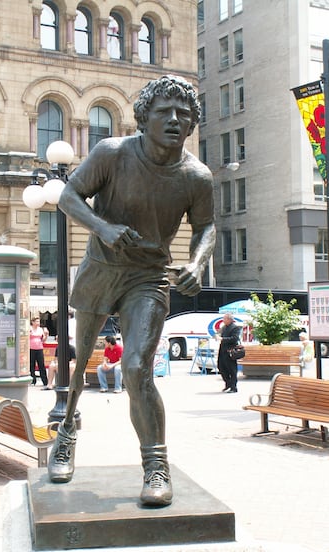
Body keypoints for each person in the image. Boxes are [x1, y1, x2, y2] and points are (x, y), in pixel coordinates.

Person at [48, 74, 215, 507]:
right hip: (102, 269)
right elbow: (68, 195)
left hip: (148, 278)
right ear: (144, 118)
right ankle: (67, 430)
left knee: (137, 368)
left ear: (193, 122)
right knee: (82, 360)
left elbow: (207, 227)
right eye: (164, 112)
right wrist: (102, 227)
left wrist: (197, 264)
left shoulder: (196, 176)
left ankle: (155, 465)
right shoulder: (112, 154)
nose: (175, 120)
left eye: (184, 114)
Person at [217, 313, 241, 393]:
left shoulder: (235, 328)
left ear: (229, 319)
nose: (223, 320)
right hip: (222, 351)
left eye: (224, 319)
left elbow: (234, 338)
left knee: (232, 370)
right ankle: (228, 384)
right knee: (221, 367)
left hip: (230, 351)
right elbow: (219, 334)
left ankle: (233, 387)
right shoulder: (224, 327)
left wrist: (223, 339)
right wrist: (217, 336)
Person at [29, 317, 48, 386]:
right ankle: (33, 380)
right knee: (32, 365)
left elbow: (43, 340)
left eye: (38, 322)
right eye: (36, 321)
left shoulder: (40, 329)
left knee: (41, 365)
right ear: (33, 322)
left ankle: (45, 381)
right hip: (31, 348)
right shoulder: (30, 329)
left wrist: (46, 335)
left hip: (39, 348)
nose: (38, 323)